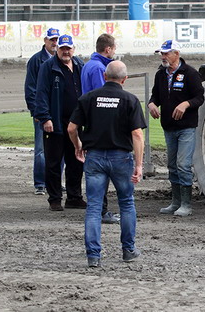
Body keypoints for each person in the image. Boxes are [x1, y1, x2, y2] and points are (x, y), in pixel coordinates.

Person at [68, 61, 146, 268]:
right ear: (124, 79)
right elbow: (137, 134)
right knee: (126, 203)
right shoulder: (130, 99)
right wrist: (139, 165)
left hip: (94, 157)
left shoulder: (88, 98)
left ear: (104, 76)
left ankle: (94, 255)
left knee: (93, 207)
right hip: (121, 157)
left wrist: (78, 146)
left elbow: (71, 128)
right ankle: (128, 249)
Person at [148, 40, 204, 217]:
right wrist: (151, 104)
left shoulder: (191, 73)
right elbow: (155, 96)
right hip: (169, 126)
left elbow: (200, 97)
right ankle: (176, 202)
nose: (163, 56)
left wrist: (186, 104)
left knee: (183, 164)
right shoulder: (160, 74)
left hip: (186, 127)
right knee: (172, 165)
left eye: (166, 53)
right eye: (162, 53)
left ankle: (186, 204)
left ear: (176, 54)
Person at [34, 34, 85, 211]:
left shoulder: (79, 64)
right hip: (54, 122)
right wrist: (45, 117)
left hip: (76, 123)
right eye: (62, 48)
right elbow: (40, 94)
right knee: (53, 162)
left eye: (68, 48)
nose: (65, 51)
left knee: (76, 160)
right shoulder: (48, 67)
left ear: (73, 49)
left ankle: (74, 197)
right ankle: (54, 198)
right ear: (58, 49)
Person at [81, 33, 120, 225]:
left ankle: (97, 209)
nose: (114, 52)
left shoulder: (89, 64)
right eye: (114, 49)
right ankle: (101, 210)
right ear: (108, 49)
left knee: (95, 169)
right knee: (101, 170)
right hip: (99, 125)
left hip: (90, 123)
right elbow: (103, 97)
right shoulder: (98, 67)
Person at [24, 27, 59, 195]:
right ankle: (40, 183)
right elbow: (30, 89)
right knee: (41, 149)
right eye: (52, 39)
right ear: (45, 40)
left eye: (56, 39)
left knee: (59, 148)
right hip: (42, 111)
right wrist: (36, 112)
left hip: (58, 112)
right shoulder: (36, 60)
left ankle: (55, 182)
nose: (54, 42)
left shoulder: (61, 59)